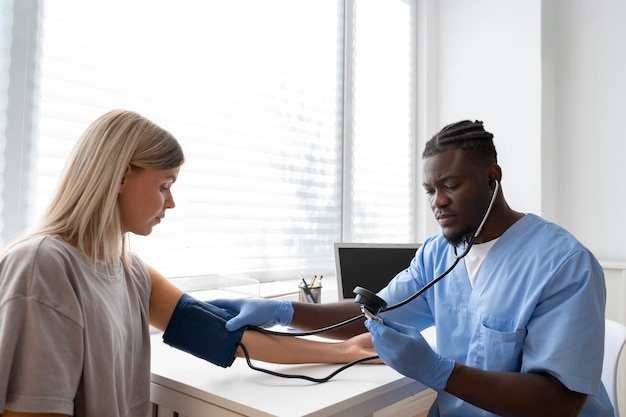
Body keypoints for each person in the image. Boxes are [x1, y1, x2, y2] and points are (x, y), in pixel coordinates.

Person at [213, 120, 613, 417]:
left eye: (451, 186)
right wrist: (285, 312)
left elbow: (559, 402)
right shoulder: (437, 254)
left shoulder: (564, 264)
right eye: (430, 190)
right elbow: (374, 314)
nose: (437, 201)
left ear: (492, 177)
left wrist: (436, 369)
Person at [0, 109, 377, 417]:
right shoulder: (43, 266)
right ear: (120, 175)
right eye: (164, 185)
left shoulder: (130, 271)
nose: (171, 202)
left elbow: (225, 336)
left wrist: (343, 352)